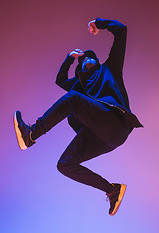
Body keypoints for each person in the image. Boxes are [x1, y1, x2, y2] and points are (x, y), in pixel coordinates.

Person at [13, 18, 143, 216]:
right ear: (80, 70)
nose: (88, 60)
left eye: (92, 58)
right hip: (104, 138)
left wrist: (99, 23)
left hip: (117, 122)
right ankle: (112, 190)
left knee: (73, 99)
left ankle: (31, 134)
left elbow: (122, 31)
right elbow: (60, 80)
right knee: (65, 164)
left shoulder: (110, 68)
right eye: (84, 60)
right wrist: (69, 58)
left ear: (98, 62)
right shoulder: (79, 86)